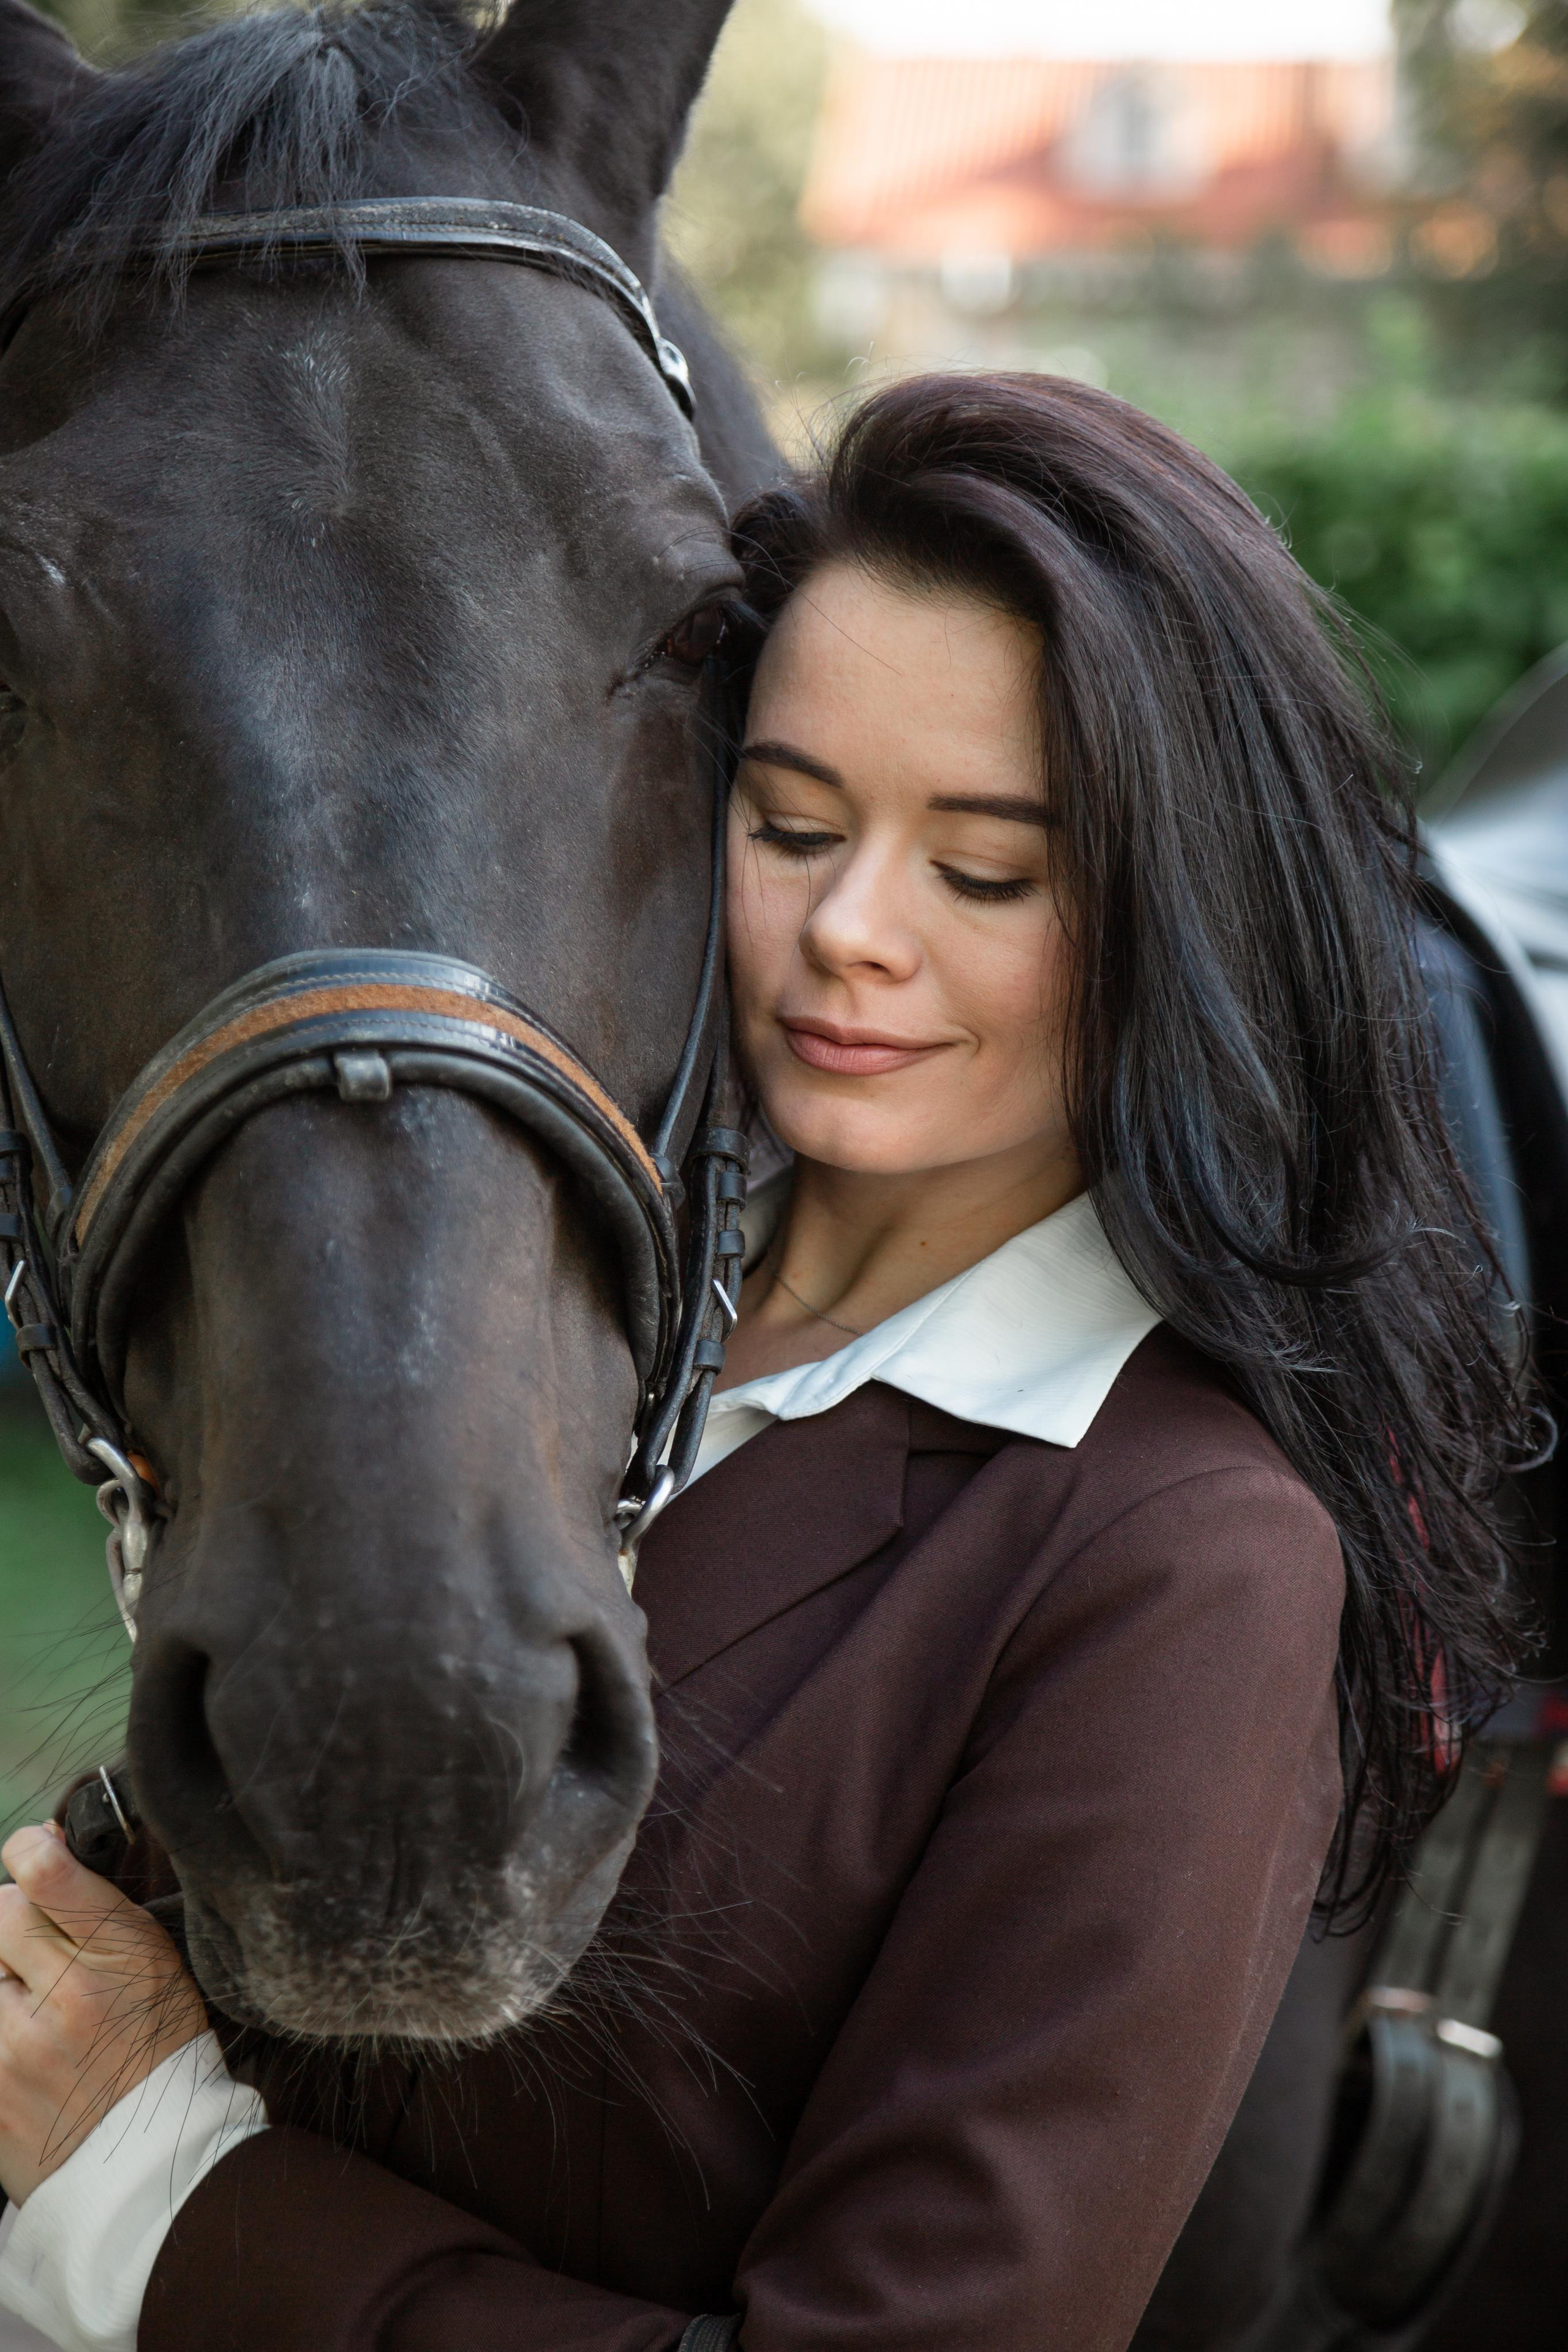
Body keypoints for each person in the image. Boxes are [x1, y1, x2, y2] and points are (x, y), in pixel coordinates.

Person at [0, 374, 1533, 2352]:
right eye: (790, 822)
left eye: (987, 872)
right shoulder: (537, 1311)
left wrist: (157, 2193)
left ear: (1180, 911)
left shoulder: (1188, 1560)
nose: (849, 935)